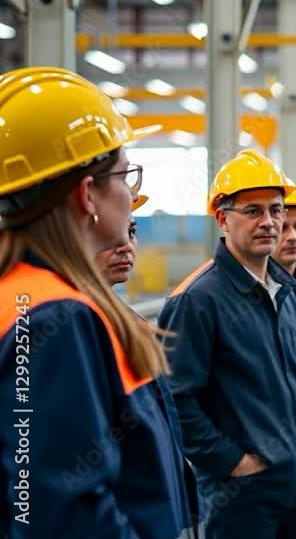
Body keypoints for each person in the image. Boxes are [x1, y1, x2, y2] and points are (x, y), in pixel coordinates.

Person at [0, 66, 189, 538]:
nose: (130, 193)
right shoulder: (55, 318)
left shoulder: (26, 297)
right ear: (88, 195)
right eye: (125, 176)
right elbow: (66, 515)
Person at [159, 149, 296, 539]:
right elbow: (174, 399)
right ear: (222, 219)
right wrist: (232, 461)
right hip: (240, 499)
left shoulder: (291, 293)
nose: (269, 222)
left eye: (276, 210)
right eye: (252, 211)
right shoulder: (197, 300)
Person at [95, 194, 201, 535]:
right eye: (112, 234)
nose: (126, 246)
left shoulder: (129, 321)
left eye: (132, 231)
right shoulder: (75, 328)